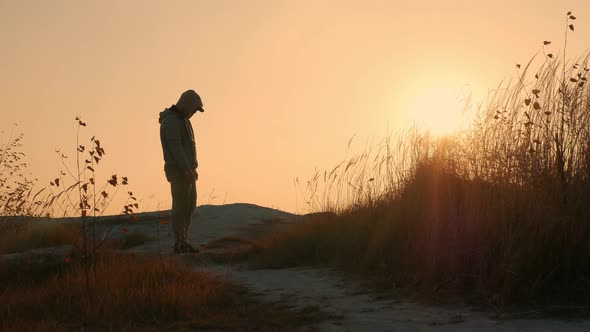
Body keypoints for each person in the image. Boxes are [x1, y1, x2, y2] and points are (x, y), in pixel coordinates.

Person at [158, 89, 204, 253]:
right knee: (180, 205)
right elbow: (175, 148)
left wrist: (193, 166)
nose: (194, 114)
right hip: (178, 171)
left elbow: (189, 146)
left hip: (187, 171)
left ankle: (184, 241)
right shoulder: (170, 121)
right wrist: (186, 169)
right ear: (186, 105)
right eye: (193, 109)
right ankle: (180, 243)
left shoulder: (183, 120)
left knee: (189, 205)